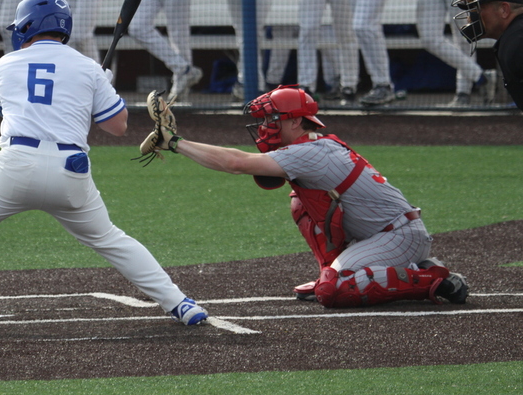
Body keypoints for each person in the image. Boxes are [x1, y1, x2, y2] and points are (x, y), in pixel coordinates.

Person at [0, 0, 208, 335]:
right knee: (112, 240)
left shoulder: (3, 65)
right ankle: (181, 303)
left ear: (27, 27)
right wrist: (102, 87)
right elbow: (117, 125)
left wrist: (91, 85)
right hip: (72, 171)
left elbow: (5, 109)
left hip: (16, 165)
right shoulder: (88, 68)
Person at [141, 84, 469, 308]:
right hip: (382, 233)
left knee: (334, 290)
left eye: (272, 119)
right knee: (301, 204)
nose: (265, 126)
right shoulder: (307, 146)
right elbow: (237, 159)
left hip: (399, 236)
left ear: (295, 120)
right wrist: (175, 141)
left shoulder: (310, 152)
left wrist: (174, 142)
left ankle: (431, 276)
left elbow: (235, 162)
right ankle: (342, 267)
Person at [452, 0, 523, 110]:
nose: (470, 17)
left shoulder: (516, 44)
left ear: (504, 10)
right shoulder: (514, 37)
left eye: (478, 8)